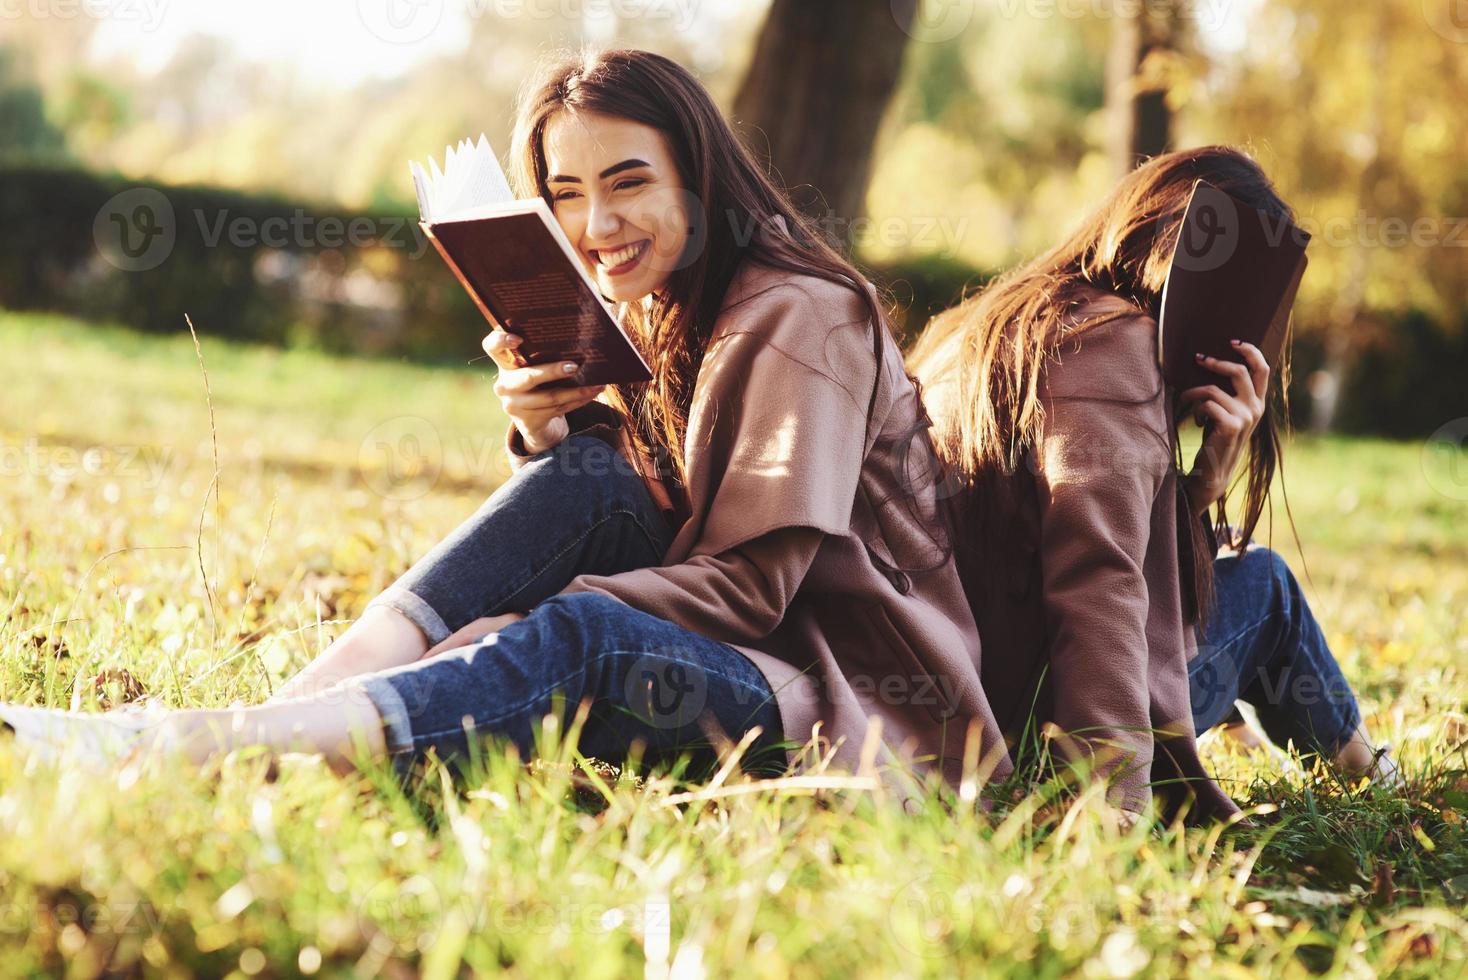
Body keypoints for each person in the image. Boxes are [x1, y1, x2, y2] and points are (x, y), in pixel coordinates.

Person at [2, 49, 1014, 798]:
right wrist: (550, 432)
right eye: (565, 195)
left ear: (697, 181)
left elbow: (752, 582)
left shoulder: (799, 314)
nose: (596, 227)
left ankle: (201, 745)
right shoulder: (663, 306)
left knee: (577, 631)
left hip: (829, 687)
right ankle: (278, 721)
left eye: (628, 183)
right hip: (730, 640)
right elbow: (648, 502)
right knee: (592, 478)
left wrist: (528, 619)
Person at [907, 146, 1400, 822]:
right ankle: (1371, 771)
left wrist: (1199, 489)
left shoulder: (979, 326)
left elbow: (1041, 528)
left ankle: (1354, 761)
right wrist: (1111, 804)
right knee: (1264, 588)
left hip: (940, 698)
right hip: (1033, 726)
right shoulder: (1113, 343)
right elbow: (1098, 583)